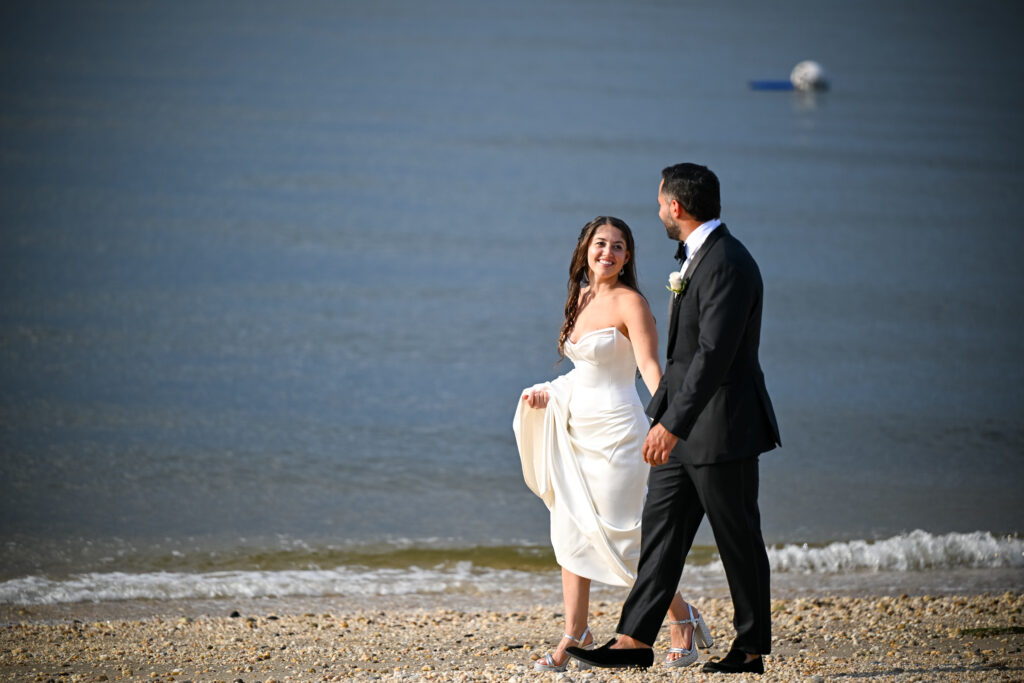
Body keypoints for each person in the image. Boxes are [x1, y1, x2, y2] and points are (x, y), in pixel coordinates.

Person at [566, 164, 781, 674]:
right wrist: (667, 418)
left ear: (676, 207)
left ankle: (750, 649)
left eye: (661, 202)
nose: (659, 210)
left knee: (738, 538)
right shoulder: (699, 257)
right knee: (660, 533)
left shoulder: (727, 262)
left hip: (721, 429)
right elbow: (689, 359)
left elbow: (714, 355)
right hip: (683, 428)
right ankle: (633, 641)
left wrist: (672, 422)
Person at [513, 216, 713, 672]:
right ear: (585, 249)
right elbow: (583, 373)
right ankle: (576, 632)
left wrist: (673, 424)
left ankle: (683, 618)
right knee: (570, 529)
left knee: (628, 536)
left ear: (628, 257)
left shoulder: (632, 303)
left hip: (620, 435)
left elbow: (649, 370)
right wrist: (549, 391)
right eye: (601, 243)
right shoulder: (580, 298)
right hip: (575, 430)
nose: (608, 252)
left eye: (618, 246)